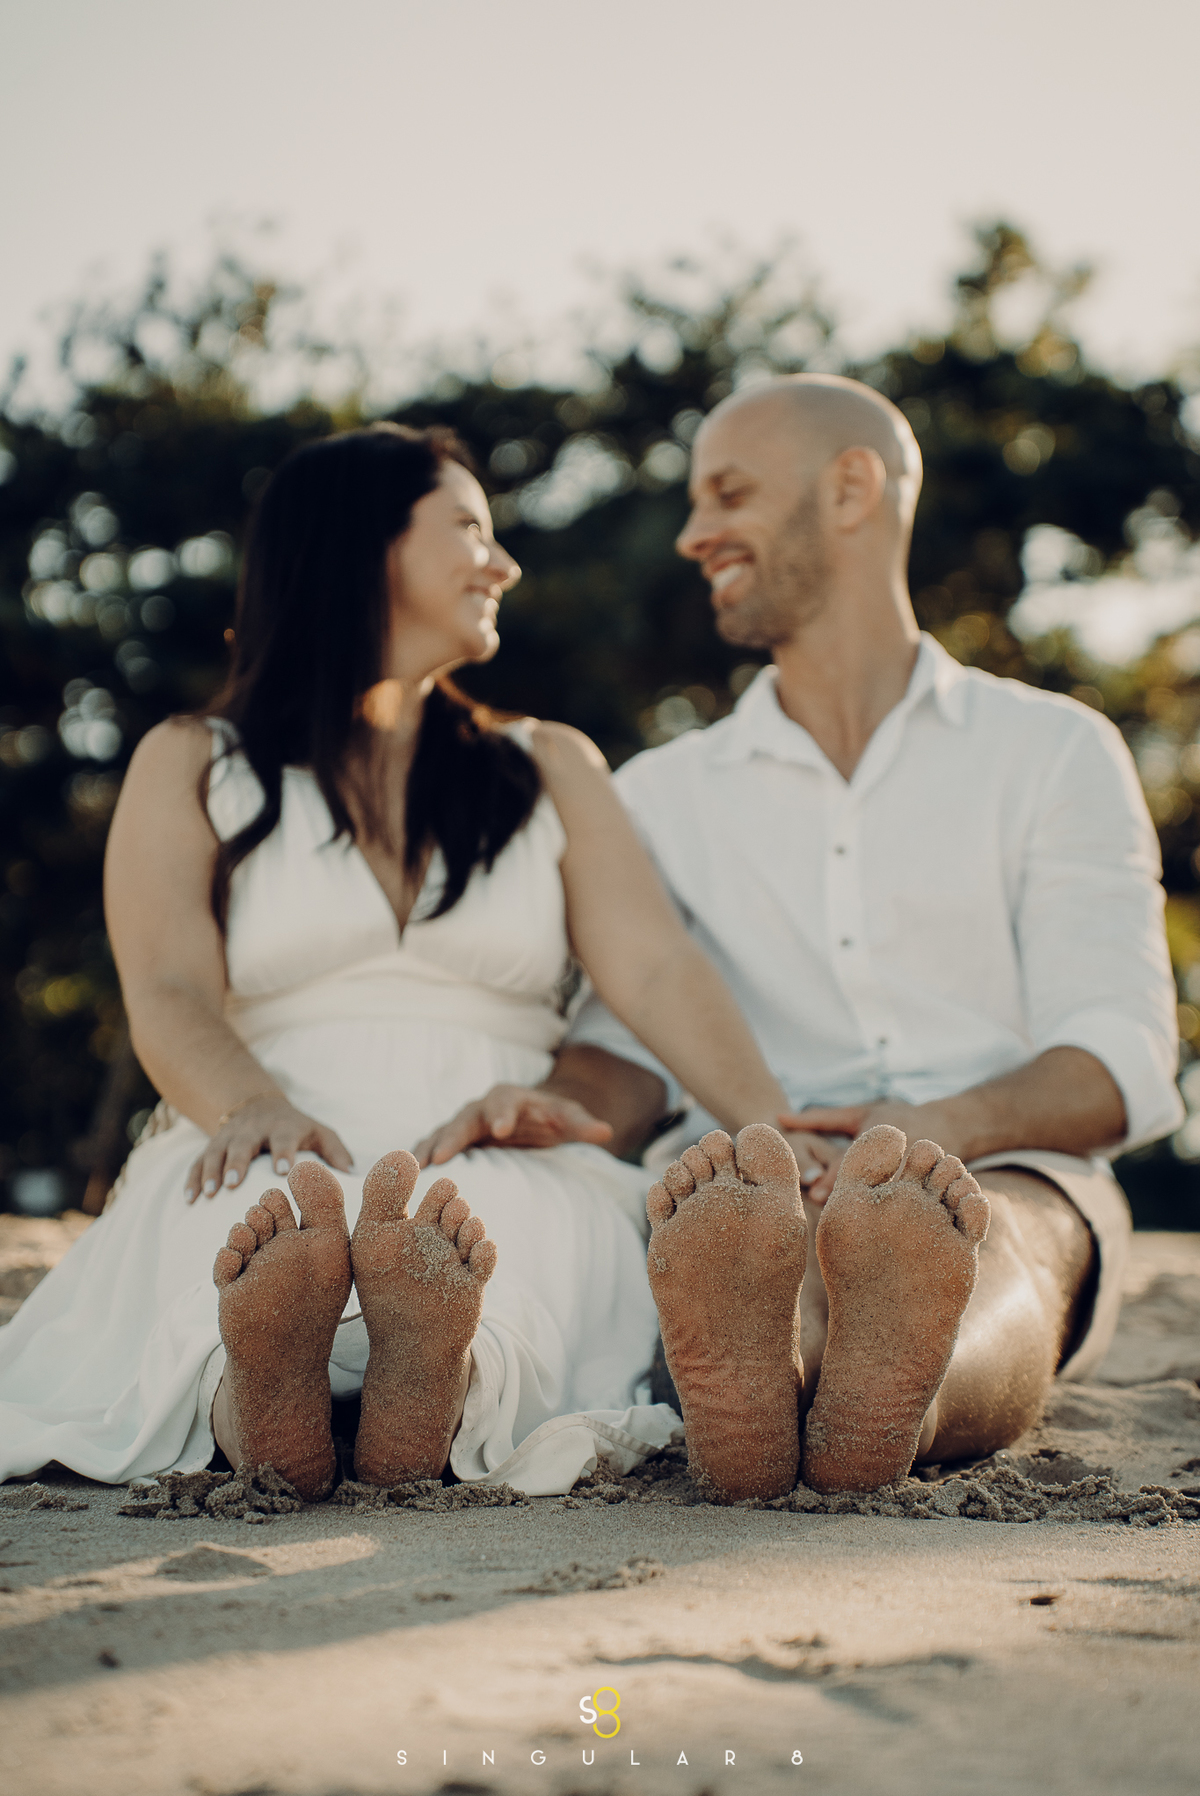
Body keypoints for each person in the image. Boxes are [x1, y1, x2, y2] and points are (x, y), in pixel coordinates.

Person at [0, 421, 815, 1502]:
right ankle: (263, 1408)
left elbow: (657, 972)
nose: (504, 563)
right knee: (258, 1227)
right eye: (470, 529)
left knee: (499, 1227)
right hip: (258, 1113)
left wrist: (777, 1135)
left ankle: (433, 1386)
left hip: (488, 1130)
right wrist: (248, 1106)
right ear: (363, 547)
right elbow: (167, 988)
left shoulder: (552, 765)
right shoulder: (191, 761)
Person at [416, 375, 1183, 1499]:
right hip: (743, 1175)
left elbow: (1120, 1057)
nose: (692, 535)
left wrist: (926, 1136)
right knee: (761, 1234)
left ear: (853, 488)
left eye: (727, 493)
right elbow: (624, 1049)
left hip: (1006, 1162)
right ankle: (778, 1376)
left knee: (993, 1242)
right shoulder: (662, 796)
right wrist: (565, 1111)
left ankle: (882, 1404)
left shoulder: (1055, 752)